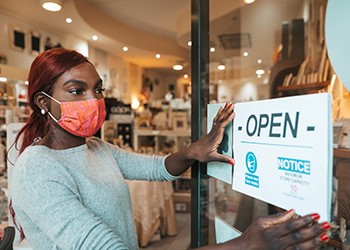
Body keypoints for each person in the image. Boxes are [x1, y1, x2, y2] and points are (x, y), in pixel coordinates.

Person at [10, 48, 330, 250]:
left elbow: (155, 168)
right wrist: (245, 244)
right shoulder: (37, 167)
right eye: (76, 91)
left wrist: (193, 150)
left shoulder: (96, 148)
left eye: (98, 90)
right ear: (42, 102)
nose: (93, 101)